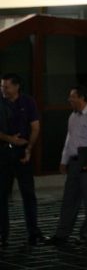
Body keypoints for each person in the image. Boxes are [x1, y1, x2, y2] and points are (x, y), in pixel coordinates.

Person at [47, 86, 87, 246]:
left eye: (72, 97)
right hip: (74, 161)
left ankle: (86, 235)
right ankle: (62, 234)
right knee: (69, 199)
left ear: (82, 97)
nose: (69, 100)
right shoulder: (72, 116)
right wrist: (64, 160)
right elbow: (69, 140)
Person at [0, 73, 44, 247]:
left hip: (22, 153)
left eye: (6, 86)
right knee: (2, 195)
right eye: (2, 86)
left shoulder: (28, 102)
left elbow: (35, 127)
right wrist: (10, 139)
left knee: (28, 194)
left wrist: (28, 149)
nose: (3, 89)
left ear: (16, 86)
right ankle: (3, 233)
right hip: (3, 152)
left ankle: (34, 232)